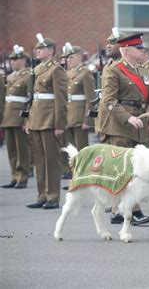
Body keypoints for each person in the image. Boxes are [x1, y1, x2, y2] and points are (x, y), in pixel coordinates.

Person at [99, 33, 149, 225]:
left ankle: (125, 209)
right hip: (120, 126)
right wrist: (127, 117)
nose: (143, 50)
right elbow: (109, 101)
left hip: (137, 124)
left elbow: (148, 98)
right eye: (139, 48)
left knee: (134, 169)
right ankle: (125, 211)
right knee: (122, 170)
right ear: (127, 50)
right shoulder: (114, 70)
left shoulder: (141, 71)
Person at [25, 34, 67, 210]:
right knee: (39, 160)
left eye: (41, 48)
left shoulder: (56, 70)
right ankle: (42, 195)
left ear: (50, 51)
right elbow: (32, 98)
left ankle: (53, 196)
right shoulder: (36, 69)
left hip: (49, 120)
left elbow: (61, 99)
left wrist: (59, 124)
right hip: (36, 119)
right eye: (36, 48)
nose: (37, 50)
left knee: (51, 160)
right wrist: (28, 120)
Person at [2, 45, 32, 189]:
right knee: (12, 150)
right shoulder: (9, 77)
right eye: (11, 60)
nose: (13, 62)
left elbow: (29, 100)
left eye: (16, 59)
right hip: (8, 117)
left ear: (24, 60)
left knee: (22, 149)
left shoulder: (28, 76)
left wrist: (26, 119)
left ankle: (23, 176)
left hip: (20, 117)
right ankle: (14, 175)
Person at [63, 44, 95, 150]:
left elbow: (90, 99)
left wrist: (87, 120)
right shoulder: (67, 74)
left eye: (71, 57)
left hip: (80, 117)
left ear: (80, 57)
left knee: (81, 150)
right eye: (67, 57)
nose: (68, 60)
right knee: (71, 151)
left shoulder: (85, 74)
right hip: (68, 116)